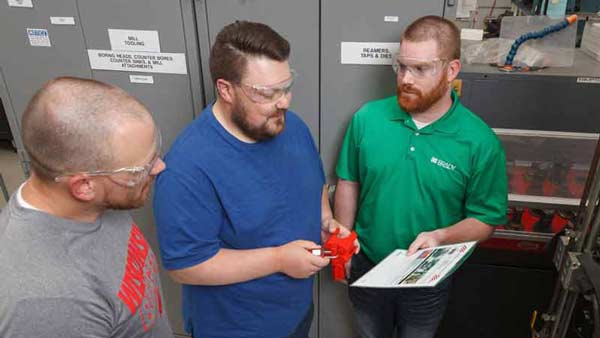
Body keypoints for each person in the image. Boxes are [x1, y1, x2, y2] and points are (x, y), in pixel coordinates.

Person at [153, 21, 348, 338]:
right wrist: (278, 260)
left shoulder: (291, 126)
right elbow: (185, 265)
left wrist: (325, 221)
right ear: (226, 89)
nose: (284, 101)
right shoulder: (187, 168)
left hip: (295, 311)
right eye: (268, 93)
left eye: (286, 87)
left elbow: (314, 187)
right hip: (238, 326)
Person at [334, 16, 508, 338]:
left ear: (451, 70)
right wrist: (344, 241)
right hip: (368, 264)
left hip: (427, 279)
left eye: (420, 69)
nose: (405, 79)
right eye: (401, 67)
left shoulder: (479, 141)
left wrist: (440, 236)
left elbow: (485, 219)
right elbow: (349, 181)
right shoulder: (368, 119)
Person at [0, 77, 171, 338]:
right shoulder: (50, 304)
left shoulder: (99, 197)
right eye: (141, 169)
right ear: (83, 186)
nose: (160, 168)